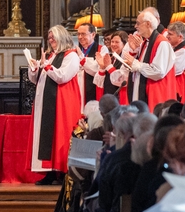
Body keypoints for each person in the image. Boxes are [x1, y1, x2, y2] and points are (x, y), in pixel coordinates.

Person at [27, 24, 82, 184]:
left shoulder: (71, 56)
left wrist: (46, 65)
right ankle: (50, 171)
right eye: (49, 38)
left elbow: (63, 76)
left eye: (53, 37)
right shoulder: (52, 56)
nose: (51, 40)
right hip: (46, 102)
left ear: (62, 38)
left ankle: (62, 172)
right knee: (48, 137)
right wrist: (34, 69)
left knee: (61, 135)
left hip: (62, 103)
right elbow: (37, 79)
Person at [110, 11, 176, 110]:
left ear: (148, 24)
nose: (135, 26)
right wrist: (133, 53)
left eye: (138, 23)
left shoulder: (162, 43)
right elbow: (139, 66)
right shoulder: (146, 42)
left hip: (156, 93)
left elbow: (158, 71)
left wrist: (135, 63)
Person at [94, 30, 129, 103]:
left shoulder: (126, 60)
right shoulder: (111, 58)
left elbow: (122, 80)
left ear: (124, 44)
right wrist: (102, 67)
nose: (113, 44)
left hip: (119, 99)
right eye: (112, 42)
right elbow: (99, 82)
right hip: (107, 96)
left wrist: (109, 67)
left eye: (117, 42)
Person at [74, 18, 102, 105]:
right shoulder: (74, 50)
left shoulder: (101, 49)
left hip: (92, 89)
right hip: (77, 88)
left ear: (93, 34)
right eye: (78, 34)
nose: (80, 37)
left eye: (83, 34)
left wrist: (82, 59)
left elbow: (96, 70)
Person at [165, 22, 185, 102]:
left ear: (180, 37)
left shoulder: (184, 51)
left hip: (179, 90)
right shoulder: (176, 49)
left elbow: (171, 69)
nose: (167, 36)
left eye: (170, 34)